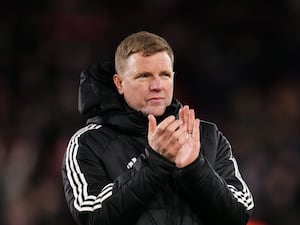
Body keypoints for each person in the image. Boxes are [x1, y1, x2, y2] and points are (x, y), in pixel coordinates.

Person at [62, 31, 254, 225]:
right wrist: (154, 164)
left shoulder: (206, 135)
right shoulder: (88, 143)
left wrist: (195, 168)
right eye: (144, 76)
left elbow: (238, 216)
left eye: (164, 75)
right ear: (119, 83)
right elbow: (93, 217)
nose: (157, 86)